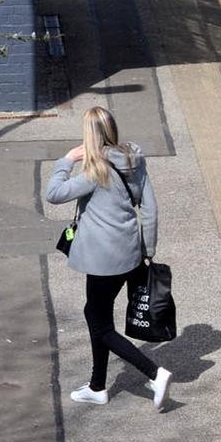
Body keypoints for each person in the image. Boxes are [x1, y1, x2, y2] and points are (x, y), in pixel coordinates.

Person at [46, 105, 174, 410]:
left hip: (103, 261)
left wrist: (66, 160)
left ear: (89, 137)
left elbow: (53, 193)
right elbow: (151, 210)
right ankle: (98, 386)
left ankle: (154, 374)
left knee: (99, 323)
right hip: (129, 255)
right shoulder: (132, 159)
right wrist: (148, 250)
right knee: (97, 314)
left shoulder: (95, 170)